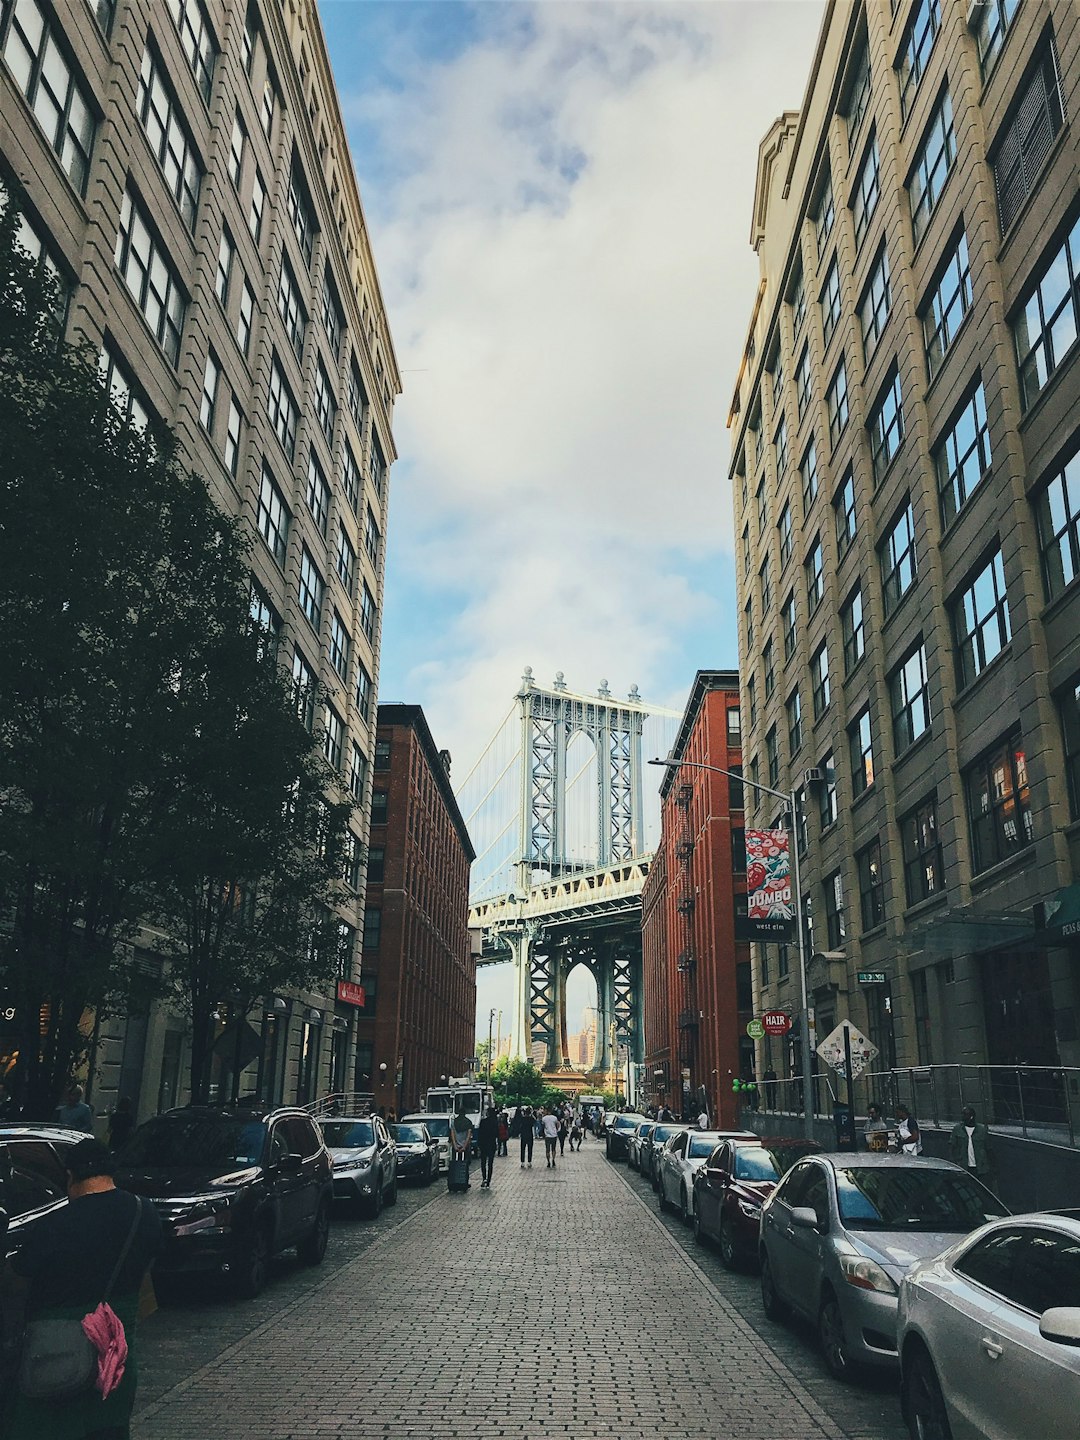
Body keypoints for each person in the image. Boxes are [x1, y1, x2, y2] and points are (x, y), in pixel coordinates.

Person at [3, 1137, 162, 1440]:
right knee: (108, 1426)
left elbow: (20, 1275)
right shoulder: (144, 1213)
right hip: (115, 1353)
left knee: (47, 1425)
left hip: (55, 1352)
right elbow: (149, 1265)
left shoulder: (56, 1225)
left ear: (70, 1176)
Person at [949, 1106, 993, 1184]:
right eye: (962, 1114)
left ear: (971, 1116)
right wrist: (955, 1162)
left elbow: (989, 1148)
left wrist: (992, 1167)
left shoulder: (981, 1130)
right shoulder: (957, 1129)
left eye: (965, 1115)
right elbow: (953, 1147)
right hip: (964, 1167)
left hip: (981, 1168)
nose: (962, 1117)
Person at [476, 1106, 499, 1189]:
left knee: (483, 1162)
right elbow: (497, 1134)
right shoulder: (495, 1122)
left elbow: (480, 1134)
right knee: (490, 1163)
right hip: (491, 1144)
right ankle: (488, 1181)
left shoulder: (483, 1122)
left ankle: (484, 1178)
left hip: (483, 1144)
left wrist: (479, 1144)